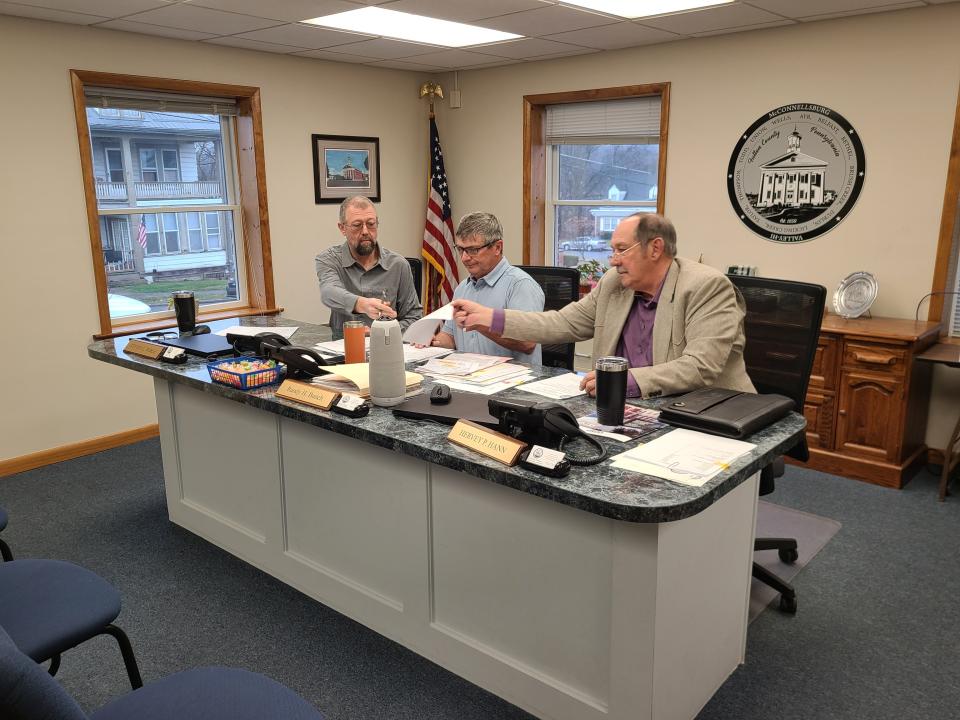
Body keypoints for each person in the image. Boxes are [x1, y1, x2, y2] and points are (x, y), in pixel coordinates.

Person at [452, 213, 754, 398]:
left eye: (621, 250)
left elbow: (701, 367)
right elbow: (561, 323)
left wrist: (627, 381)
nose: (613, 260)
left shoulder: (706, 287)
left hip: (702, 415)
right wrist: (490, 317)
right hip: (628, 409)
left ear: (655, 248)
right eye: (612, 251)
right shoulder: (614, 283)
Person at [428, 212, 544, 364]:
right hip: (471, 379)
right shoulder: (463, 288)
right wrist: (433, 342)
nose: (464, 258)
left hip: (511, 384)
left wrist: (480, 323)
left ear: (497, 247)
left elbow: (527, 343)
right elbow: (450, 337)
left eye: (473, 250)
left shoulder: (521, 285)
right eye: (460, 249)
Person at [316, 196, 422, 338]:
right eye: (357, 225)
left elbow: (413, 318)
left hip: (387, 347)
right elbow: (328, 292)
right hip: (345, 349)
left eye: (371, 224)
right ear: (342, 228)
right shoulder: (329, 259)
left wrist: (380, 333)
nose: (365, 231)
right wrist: (362, 304)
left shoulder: (398, 265)